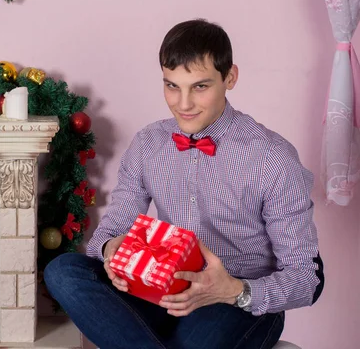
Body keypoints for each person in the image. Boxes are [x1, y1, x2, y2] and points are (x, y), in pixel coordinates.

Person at [43, 19, 324, 349]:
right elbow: (109, 232)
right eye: (172, 86)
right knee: (64, 271)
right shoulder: (148, 144)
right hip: (159, 290)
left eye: (200, 86)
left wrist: (234, 290)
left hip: (238, 300)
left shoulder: (273, 158)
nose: (183, 103)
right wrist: (112, 251)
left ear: (230, 77)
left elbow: (306, 279)